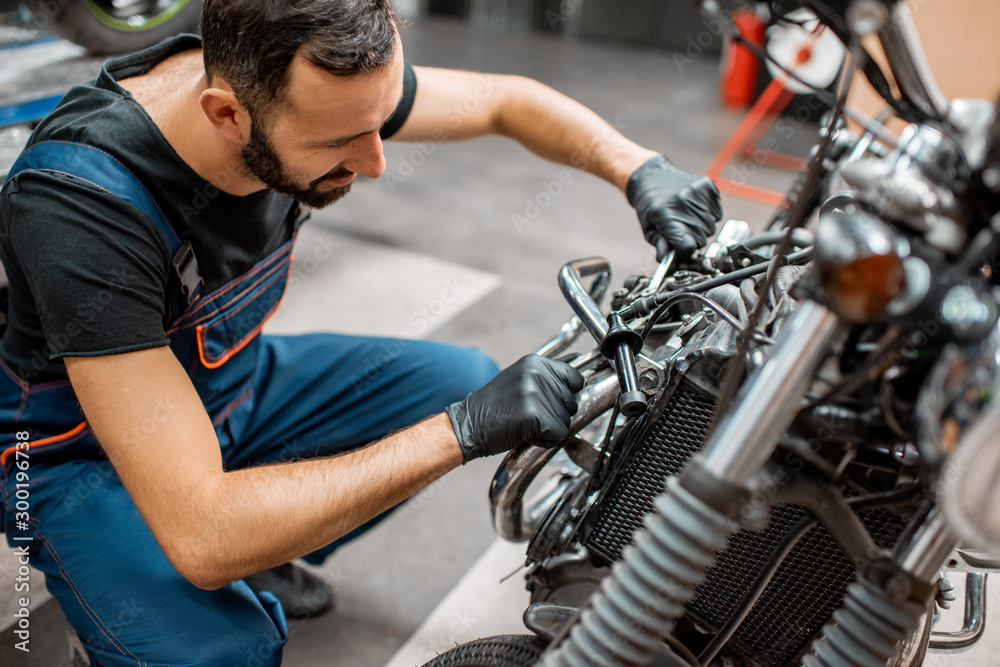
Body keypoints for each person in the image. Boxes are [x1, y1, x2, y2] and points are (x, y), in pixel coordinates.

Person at [0, 0, 721, 664]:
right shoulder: (83, 203)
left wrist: (640, 169)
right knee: (221, 647)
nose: (376, 162)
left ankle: (264, 538)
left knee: (456, 376)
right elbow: (202, 532)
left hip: (227, 387)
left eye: (379, 124)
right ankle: (121, 615)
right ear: (225, 116)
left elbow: (508, 101)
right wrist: (462, 431)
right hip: (78, 456)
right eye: (343, 141)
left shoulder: (310, 81)